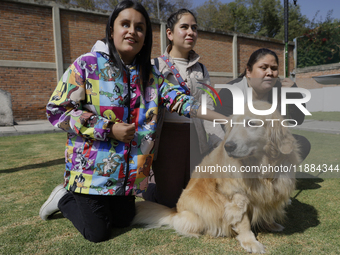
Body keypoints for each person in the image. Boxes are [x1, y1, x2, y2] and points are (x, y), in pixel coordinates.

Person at [39, 0, 226, 243]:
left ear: (146, 36)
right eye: (124, 24)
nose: (132, 31)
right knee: (98, 232)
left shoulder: (151, 75)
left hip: (126, 177)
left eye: (139, 27)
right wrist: (108, 129)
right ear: (111, 30)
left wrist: (226, 117)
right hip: (90, 173)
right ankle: (64, 198)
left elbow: (182, 101)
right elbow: (57, 110)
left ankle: (100, 203)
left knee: (126, 220)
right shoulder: (87, 65)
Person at [214, 48, 311, 161]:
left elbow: (298, 119)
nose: (269, 73)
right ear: (248, 71)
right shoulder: (230, 92)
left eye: (274, 68)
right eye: (263, 68)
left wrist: (294, 92)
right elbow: (228, 131)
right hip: (229, 143)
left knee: (302, 143)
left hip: (263, 144)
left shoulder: (280, 89)